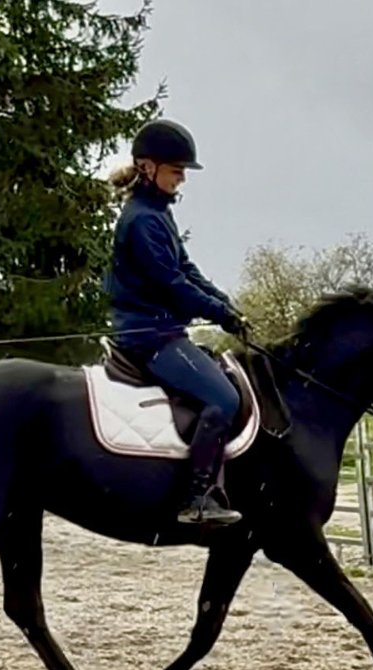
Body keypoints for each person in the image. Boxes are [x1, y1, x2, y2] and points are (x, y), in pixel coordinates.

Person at [104, 119, 249, 527]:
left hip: (163, 329)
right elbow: (171, 284)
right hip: (149, 335)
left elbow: (187, 269)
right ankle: (198, 497)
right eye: (176, 169)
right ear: (148, 167)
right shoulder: (143, 221)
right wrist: (220, 315)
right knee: (223, 399)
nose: (182, 178)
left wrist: (226, 304)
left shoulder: (157, 214)